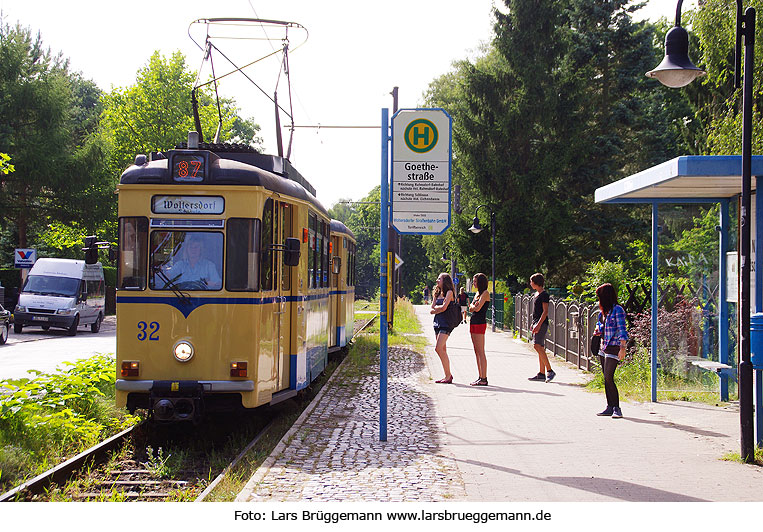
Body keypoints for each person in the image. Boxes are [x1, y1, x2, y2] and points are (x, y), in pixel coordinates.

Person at [593, 283, 628, 419]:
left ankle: (617, 408)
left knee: (609, 376)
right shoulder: (604, 311)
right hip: (604, 346)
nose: (598, 300)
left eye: (599, 297)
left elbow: (622, 329)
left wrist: (622, 348)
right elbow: (600, 325)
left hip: (614, 346)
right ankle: (609, 406)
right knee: (606, 378)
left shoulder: (617, 310)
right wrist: (598, 329)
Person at [528, 272, 555, 383]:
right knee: (540, 347)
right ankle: (541, 373)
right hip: (536, 322)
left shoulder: (544, 295)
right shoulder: (536, 294)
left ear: (536, 282)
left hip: (542, 323)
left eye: (531, 281)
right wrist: (533, 323)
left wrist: (538, 324)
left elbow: (545, 311)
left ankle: (549, 370)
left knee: (537, 345)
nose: (530, 283)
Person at [430, 272, 457, 384]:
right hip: (437, 323)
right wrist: (438, 308)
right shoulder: (436, 293)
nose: (437, 280)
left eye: (439, 279)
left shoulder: (450, 292)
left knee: (438, 348)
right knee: (443, 350)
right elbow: (432, 309)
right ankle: (447, 375)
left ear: (444, 281)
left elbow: (444, 308)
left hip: (446, 323)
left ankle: (448, 375)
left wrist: (438, 308)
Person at [468, 273, 490, 386]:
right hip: (473, 322)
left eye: (475, 281)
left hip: (480, 323)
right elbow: (471, 307)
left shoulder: (485, 293)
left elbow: (477, 308)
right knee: (476, 351)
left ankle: (484, 378)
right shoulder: (477, 293)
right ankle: (479, 376)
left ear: (480, 282)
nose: (473, 283)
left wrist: (473, 307)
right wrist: (473, 307)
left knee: (481, 351)